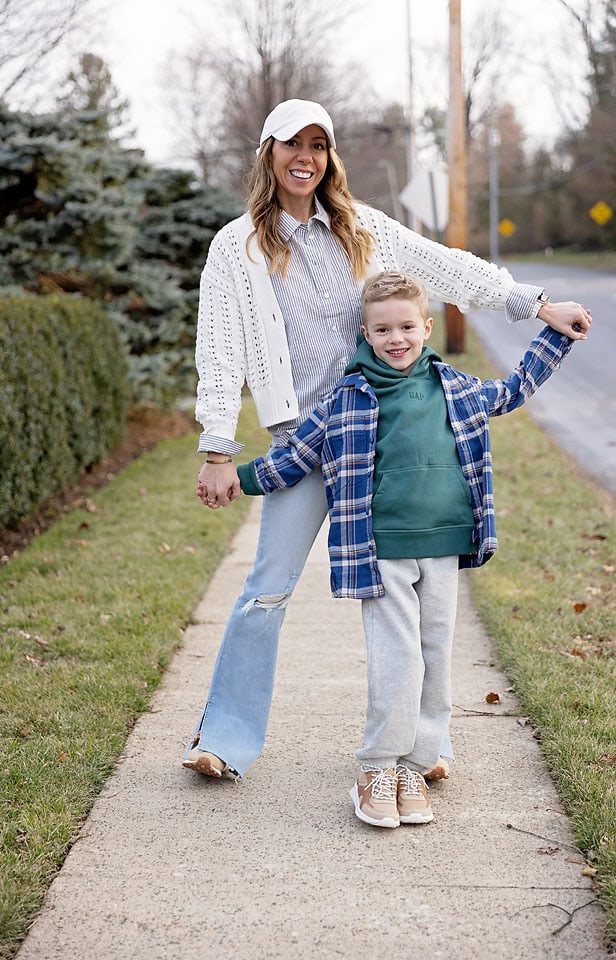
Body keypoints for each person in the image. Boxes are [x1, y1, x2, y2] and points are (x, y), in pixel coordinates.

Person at [183, 97, 591, 781]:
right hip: (303, 440)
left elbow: (446, 268)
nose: (304, 157)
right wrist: (218, 449)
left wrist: (536, 303)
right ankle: (223, 738)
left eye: (318, 144)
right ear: (269, 154)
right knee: (267, 588)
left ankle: (429, 749)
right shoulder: (238, 248)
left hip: (381, 433)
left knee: (414, 601)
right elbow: (219, 351)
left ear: (330, 155)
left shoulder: (364, 231)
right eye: (291, 145)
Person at [232, 271, 575, 827]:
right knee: (401, 658)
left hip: (444, 544)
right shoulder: (345, 400)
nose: (397, 338)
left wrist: (553, 335)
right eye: (383, 329)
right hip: (381, 549)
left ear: (426, 327)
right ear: (365, 335)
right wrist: (236, 478)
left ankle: (418, 761)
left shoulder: (454, 388)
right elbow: (292, 457)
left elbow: (511, 391)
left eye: (407, 327)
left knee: (436, 654)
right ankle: (377, 765)